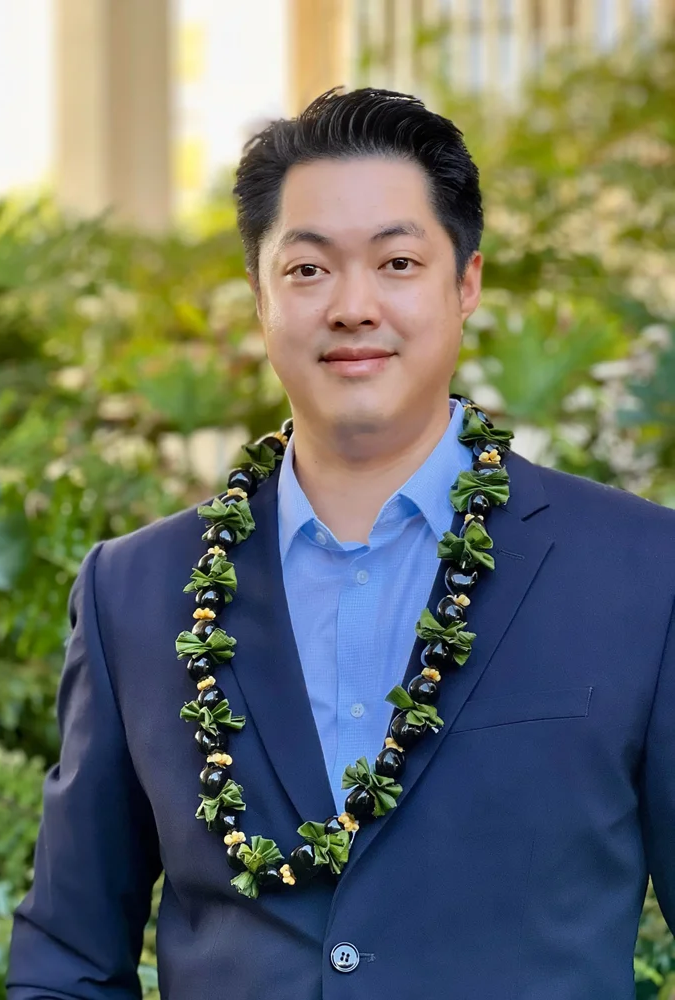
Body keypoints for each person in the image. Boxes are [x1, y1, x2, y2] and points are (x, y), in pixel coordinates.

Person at [7, 86, 675, 1000]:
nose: (353, 306)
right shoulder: (138, 591)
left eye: (397, 262)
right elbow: (69, 958)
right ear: (259, 294)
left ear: (466, 282)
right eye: (309, 269)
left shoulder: (640, 571)